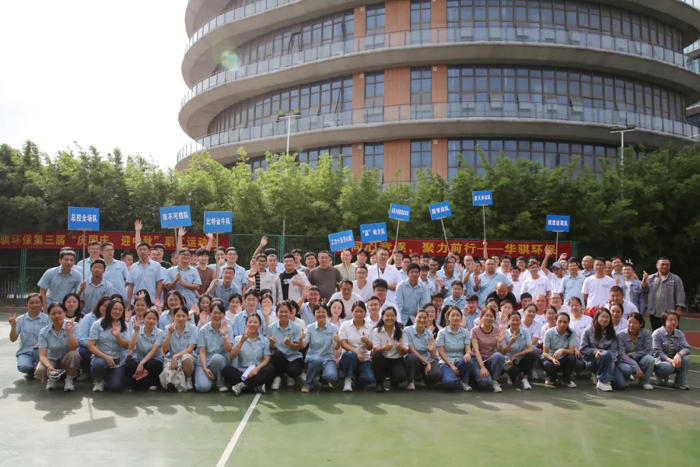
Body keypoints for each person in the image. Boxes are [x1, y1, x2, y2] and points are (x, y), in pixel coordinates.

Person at [223, 312, 276, 396]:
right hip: (242, 372)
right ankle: (255, 386)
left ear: (260, 325)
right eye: (250, 322)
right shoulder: (238, 339)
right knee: (226, 370)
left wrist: (256, 369)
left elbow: (266, 359)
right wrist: (241, 342)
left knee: (271, 369)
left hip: (257, 372)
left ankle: (242, 385)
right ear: (246, 324)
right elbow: (232, 356)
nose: (252, 324)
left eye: (255, 322)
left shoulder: (264, 340)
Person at [87, 298, 132, 392]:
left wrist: (118, 336)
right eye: (114, 309)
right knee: (98, 364)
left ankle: (108, 377)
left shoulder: (125, 325)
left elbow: (127, 346)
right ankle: (98, 380)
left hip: (117, 359)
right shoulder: (97, 324)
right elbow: (91, 345)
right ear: (109, 310)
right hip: (101, 357)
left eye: (120, 310)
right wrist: (106, 357)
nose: (117, 312)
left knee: (115, 387)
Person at [36, 302, 81, 391]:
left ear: (65, 313)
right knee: (40, 369)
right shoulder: (43, 332)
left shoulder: (74, 326)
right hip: (52, 359)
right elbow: (42, 355)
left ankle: (69, 379)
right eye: (53, 314)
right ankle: (52, 378)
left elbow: (73, 348)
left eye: (60, 313)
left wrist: (68, 332)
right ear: (49, 315)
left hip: (66, 360)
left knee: (74, 355)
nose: (57, 316)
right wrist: (49, 366)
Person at [580, 308, 624, 391]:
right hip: (592, 361)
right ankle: (602, 381)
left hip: (608, 361)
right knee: (605, 354)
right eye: (602, 316)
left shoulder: (612, 332)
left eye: (607, 317)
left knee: (620, 384)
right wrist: (595, 351)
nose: (604, 319)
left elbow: (613, 351)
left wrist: (610, 367)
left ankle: (601, 375)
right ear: (597, 317)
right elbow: (583, 349)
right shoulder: (588, 331)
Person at [301, 303, 340, 392]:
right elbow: (303, 345)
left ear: (327, 313)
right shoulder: (309, 328)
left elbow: (336, 347)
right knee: (317, 360)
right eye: (318, 312)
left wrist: (338, 341)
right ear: (314, 314)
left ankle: (323, 379)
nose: (320, 314)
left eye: (323, 312)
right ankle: (308, 384)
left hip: (328, 358)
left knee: (331, 376)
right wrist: (300, 339)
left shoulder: (333, 328)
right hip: (313, 357)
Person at [9, 293, 50, 377]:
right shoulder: (20, 319)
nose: (34, 305)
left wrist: (41, 343)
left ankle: (40, 367)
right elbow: (13, 339)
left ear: (41, 304)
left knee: (39, 356)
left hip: (42, 351)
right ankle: (31, 369)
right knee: (24, 367)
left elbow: (51, 336)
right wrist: (13, 327)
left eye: (37, 302)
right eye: (31, 303)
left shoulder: (47, 319)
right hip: (25, 351)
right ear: (27, 304)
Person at [195, 302, 233, 392]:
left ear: (223, 315)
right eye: (214, 313)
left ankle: (220, 383)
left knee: (216, 358)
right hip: (206, 361)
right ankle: (211, 379)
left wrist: (224, 335)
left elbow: (228, 349)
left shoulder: (228, 328)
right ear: (210, 314)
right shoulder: (203, 330)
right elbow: (202, 351)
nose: (217, 316)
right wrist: (205, 368)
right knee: (203, 388)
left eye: (220, 313)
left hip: (220, 361)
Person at [338, 301, 375, 392]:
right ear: (352, 312)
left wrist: (367, 342)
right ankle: (348, 378)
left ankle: (357, 379)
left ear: (365, 313)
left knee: (369, 379)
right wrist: (357, 353)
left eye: (361, 311)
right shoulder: (345, 325)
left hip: (364, 359)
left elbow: (370, 347)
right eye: (356, 311)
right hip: (348, 358)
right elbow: (343, 343)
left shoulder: (370, 327)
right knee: (350, 355)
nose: (359, 314)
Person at [267, 301, 304, 390]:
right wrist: (272, 343)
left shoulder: (296, 327)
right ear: (277, 313)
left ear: (290, 313)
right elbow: (271, 348)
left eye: (286, 312)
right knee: (277, 355)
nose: (283, 314)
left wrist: (290, 344)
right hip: (279, 358)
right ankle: (278, 377)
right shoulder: (271, 327)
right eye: (281, 312)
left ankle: (290, 375)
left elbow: (299, 347)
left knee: (294, 370)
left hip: (293, 356)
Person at [370, 307, 408, 392]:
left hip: (396, 359)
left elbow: (405, 351)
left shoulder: (401, 331)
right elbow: (375, 349)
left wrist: (401, 348)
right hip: (383, 359)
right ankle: (379, 383)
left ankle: (394, 381)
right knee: (377, 357)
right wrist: (384, 348)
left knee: (401, 376)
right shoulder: (376, 331)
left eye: (392, 316)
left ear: (395, 317)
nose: (390, 318)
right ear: (382, 317)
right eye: (387, 315)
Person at [161, 306, 198, 392]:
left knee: (186, 357)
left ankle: (189, 379)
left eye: (183, 316)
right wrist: (170, 334)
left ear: (187, 316)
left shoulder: (193, 328)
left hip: (188, 357)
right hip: (171, 358)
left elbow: (190, 348)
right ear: (173, 316)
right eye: (178, 316)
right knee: (169, 377)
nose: (181, 319)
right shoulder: (167, 328)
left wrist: (175, 356)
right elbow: (165, 348)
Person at [642, 258, 686, 331]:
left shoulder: (676, 279)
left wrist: (679, 309)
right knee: (656, 333)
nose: (665, 266)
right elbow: (644, 289)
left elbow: (680, 294)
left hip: (670, 313)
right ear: (657, 265)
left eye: (667, 265)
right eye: (662, 264)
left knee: (671, 333)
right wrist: (644, 279)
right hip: (654, 313)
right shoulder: (650, 278)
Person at [125, 309, 165, 391]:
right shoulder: (137, 330)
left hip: (154, 359)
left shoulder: (160, 332)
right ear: (143, 319)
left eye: (154, 319)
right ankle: (140, 382)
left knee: (151, 364)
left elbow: (153, 351)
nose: (151, 321)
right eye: (149, 318)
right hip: (139, 358)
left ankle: (153, 382)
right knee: (130, 365)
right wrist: (136, 332)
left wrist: (141, 363)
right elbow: (130, 347)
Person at [436, 307, 474, 391]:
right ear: (448, 317)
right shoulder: (442, 332)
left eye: (458, 315)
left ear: (461, 317)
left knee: (467, 360)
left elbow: (468, 349)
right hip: (446, 362)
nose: (455, 318)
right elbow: (441, 352)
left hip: (460, 361)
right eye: (452, 315)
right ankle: (453, 379)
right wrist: (451, 366)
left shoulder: (465, 332)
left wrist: (468, 354)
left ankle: (464, 381)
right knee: (449, 383)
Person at [652, 311, 691, 390]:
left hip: (674, 361)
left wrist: (679, 355)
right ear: (664, 321)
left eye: (676, 320)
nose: (673, 322)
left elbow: (687, 347)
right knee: (668, 367)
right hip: (661, 361)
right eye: (670, 320)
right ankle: (660, 377)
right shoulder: (657, 333)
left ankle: (680, 382)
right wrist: (672, 361)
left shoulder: (679, 333)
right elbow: (657, 353)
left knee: (686, 359)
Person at [470, 308, 506, 393]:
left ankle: (494, 380)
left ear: (494, 318)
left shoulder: (497, 330)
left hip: (490, 359)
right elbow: (476, 350)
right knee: (484, 383)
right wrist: (482, 367)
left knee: (499, 356)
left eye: (491, 316)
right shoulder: (474, 330)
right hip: (477, 359)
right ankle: (477, 377)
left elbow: (501, 352)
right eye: (486, 316)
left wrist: (499, 342)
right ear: (481, 317)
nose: (489, 318)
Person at [405, 309, 441, 390]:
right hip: (413, 359)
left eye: (425, 318)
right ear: (414, 318)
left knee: (436, 375)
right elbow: (412, 350)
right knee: (412, 357)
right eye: (419, 317)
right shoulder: (407, 330)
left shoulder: (429, 333)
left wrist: (431, 350)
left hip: (425, 358)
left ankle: (425, 379)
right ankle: (410, 381)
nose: (422, 320)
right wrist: (427, 363)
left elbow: (433, 356)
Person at [616, 313, 654, 390]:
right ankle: (625, 379)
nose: (631, 325)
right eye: (629, 322)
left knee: (650, 359)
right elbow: (621, 354)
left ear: (641, 324)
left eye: (635, 323)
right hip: (624, 361)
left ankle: (644, 382)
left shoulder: (646, 333)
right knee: (627, 369)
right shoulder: (621, 335)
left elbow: (648, 351)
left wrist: (633, 354)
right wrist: (636, 367)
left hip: (639, 359)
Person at [499, 311, 536, 390]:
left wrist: (515, 355)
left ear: (520, 320)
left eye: (517, 320)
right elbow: (504, 352)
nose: (515, 322)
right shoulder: (504, 333)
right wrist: (511, 342)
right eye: (513, 320)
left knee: (531, 355)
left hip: (520, 359)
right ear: (509, 321)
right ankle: (512, 376)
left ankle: (525, 379)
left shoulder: (525, 331)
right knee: (513, 370)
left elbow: (530, 348)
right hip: (508, 361)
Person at [37, 249, 82, 313]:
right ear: (60, 260)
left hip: (66, 308)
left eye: (71, 260)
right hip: (50, 305)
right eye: (66, 260)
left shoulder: (78, 276)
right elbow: (42, 292)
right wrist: (45, 310)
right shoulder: (50, 273)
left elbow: (77, 294)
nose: (69, 262)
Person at [77, 295, 111, 380]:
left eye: (109, 307)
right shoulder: (89, 317)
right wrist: (93, 346)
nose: (107, 309)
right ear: (99, 305)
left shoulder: (115, 319)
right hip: (90, 346)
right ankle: (87, 372)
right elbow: (82, 337)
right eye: (105, 306)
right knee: (83, 352)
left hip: (107, 347)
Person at [542, 313, 577, 387]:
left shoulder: (572, 332)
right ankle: (551, 378)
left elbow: (571, 350)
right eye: (560, 321)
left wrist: (562, 350)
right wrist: (553, 359)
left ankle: (566, 380)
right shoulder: (549, 332)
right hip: (551, 358)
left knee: (571, 358)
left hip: (564, 358)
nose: (562, 324)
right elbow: (545, 352)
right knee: (546, 364)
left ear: (568, 323)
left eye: (565, 322)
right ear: (556, 321)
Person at [126, 242, 164, 308]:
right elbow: (130, 285)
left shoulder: (156, 265)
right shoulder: (133, 267)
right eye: (140, 250)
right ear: (137, 252)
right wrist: (128, 303)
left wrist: (157, 299)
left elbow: (159, 284)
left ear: (149, 251)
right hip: (136, 301)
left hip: (151, 301)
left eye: (144, 249)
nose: (142, 251)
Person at [568, 297, 592, 375]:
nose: (574, 307)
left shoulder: (588, 319)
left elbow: (591, 337)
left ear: (581, 306)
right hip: (573, 350)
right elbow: (566, 338)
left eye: (576, 305)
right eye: (572, 305)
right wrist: (574, 349)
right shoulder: (567, 320)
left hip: (586, 350)